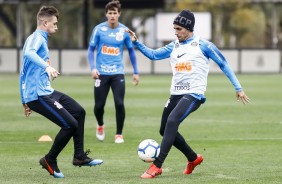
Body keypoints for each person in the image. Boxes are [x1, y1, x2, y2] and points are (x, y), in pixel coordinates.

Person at [127, 10, 250, 179]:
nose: (176, 32)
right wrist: (137, 43)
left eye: (179, 29)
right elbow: (154, 55)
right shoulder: (174, 46)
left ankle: (157, 166)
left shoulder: (203, 45)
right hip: (175, 94)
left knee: (172, 121)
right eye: (174, 29)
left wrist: (238, 88)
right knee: (164, 129)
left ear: (189, 28)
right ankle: (193, 158)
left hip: (194, 95)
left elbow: (224, 63)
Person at [19, 6, 103, 179]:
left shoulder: (39, 38)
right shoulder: (37, 38)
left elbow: (24, 71)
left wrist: (23, 99)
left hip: (46, 91)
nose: (57, 26)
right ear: (44, 22)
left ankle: (79, 156)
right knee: (70, 124)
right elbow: (28, 54)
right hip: (38, 95)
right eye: (54, 23)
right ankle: (50, 159)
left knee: (79, 112)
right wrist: (47, 67)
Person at [87, 0, 139, 144]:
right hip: (101, 73)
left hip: (118, 73)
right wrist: (93, 68)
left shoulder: (124, 31)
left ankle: (119, 134)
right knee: (98, 106)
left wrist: (136, 71)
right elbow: (91, 50)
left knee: (119, 103)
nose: (112, 15)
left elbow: (131, 51)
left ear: (119, 14)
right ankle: (100, 124)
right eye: (110, 13)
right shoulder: (98, 29)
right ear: (106, 14)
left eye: (114, 13)